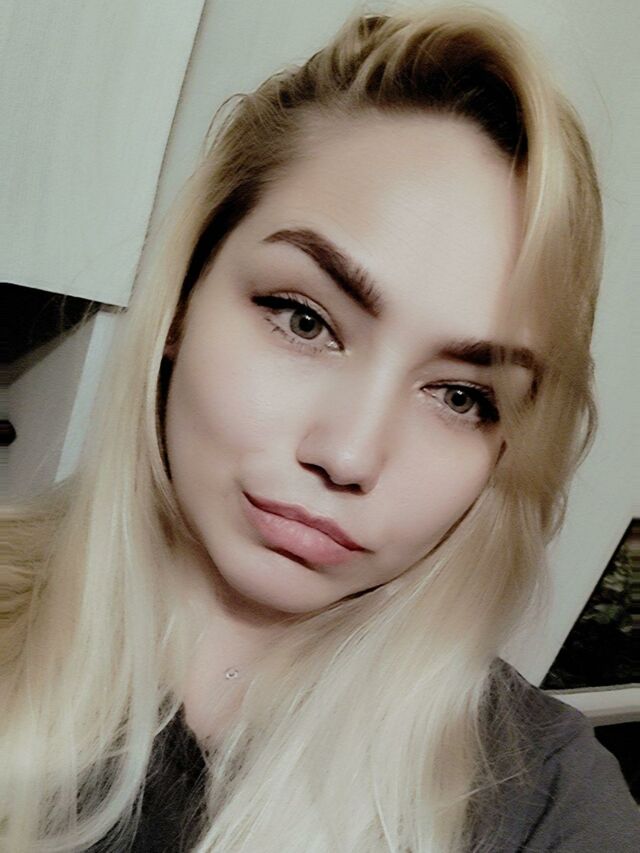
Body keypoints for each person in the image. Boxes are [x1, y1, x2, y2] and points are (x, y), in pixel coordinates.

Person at [1, 4, 638, 852]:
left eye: (461, 396)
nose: (347, 454)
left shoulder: (545, 799)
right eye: (304, 320)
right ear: (183, 298)